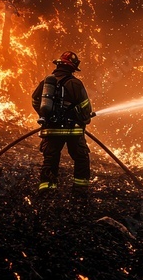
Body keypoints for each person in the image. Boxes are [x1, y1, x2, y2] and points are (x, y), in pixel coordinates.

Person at [31, 51, 94, 194]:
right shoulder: (75, 84)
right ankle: (80, 192)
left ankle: (47, 191)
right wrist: (84, 119)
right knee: (81, 158)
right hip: (73, 130)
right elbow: (86, 107)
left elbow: (35, 100)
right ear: (73, 68)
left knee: (50, 160)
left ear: (58, 64)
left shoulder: (46, 83)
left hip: (51, 129)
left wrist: (45, 114)